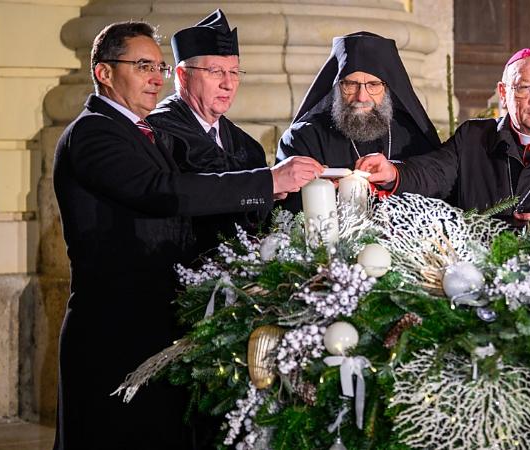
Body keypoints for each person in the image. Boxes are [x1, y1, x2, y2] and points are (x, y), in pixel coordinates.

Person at [52, 21, 322, 450]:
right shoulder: (93, 133)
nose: (155, 78)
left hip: (154, 321)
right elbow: (164, 193)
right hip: (114, 328)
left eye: (158, 66)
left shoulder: (141, 132)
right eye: (143, 66)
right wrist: (266, 182)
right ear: (104, 72)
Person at [358, 48, 530, 225]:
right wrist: (394, 173)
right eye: (525, 88)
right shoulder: (474, 138)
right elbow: (434, 172)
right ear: (503, 92)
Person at [147, 9, 268, 251]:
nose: (228, 83)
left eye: (234, 72)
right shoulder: (157, 134)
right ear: (182, 76)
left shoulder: (246, 145)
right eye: (215, 71)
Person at [276, 31, 440, 208]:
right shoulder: (303, 138)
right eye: (350, 84)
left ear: (388, 88)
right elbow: (285, 215)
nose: (361, 97)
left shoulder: (413, 136)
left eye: (373, 84)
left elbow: (437, 192)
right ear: (337, 86)